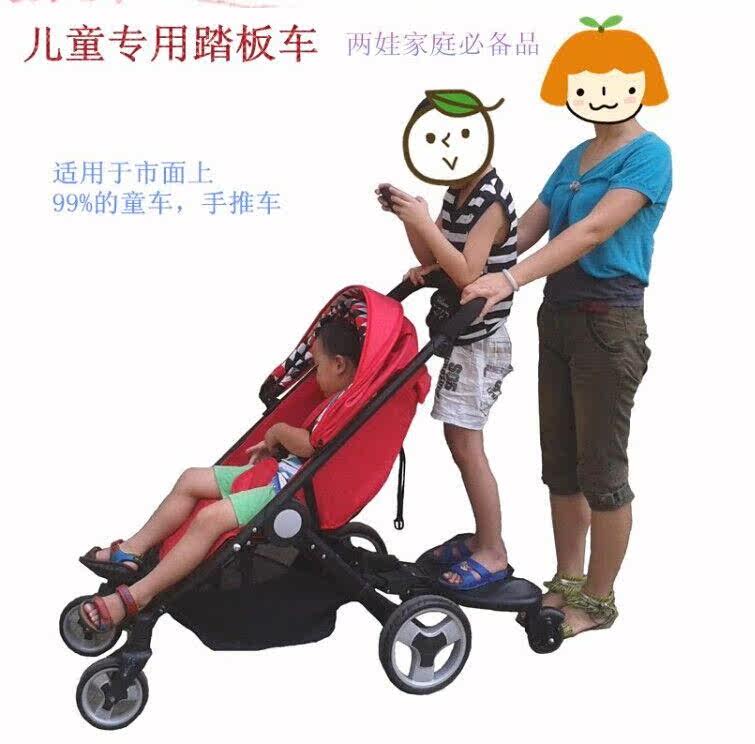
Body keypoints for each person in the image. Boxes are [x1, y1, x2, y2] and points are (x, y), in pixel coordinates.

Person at [461, 19, 672, 635]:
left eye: (615, 80)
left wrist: (508, 280)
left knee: (600, 470)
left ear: (640, 84)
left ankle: (598, 603)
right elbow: (528, 226)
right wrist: (460, 253)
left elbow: (592, 231)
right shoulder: (575, 157)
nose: (600, 92)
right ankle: (567, 580)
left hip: (609, 321)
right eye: (587, 82)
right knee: (561, 465)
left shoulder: (650, 154)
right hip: (557, 316)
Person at [79, 318, 362, 633]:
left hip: (285, 493)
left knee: (210, 519)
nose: (316, 377)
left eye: (318, 366)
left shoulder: (347, 403)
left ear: (339, 364)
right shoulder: (337, 400)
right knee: (190, 479)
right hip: (277, 476)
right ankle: (132, 551)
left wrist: (277, 431)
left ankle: (139, 596)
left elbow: (309, 445)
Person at [376, 89, 518, 590]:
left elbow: (467, 274)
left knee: (465, 443)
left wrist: (424, 227)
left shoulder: (490, 200)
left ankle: (493, 549)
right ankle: (483, 536)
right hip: (461, 337)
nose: (447, 151)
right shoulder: (457, 192)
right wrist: (411, 221)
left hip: (481, 342)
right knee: (459, 441)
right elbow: (435, 255)